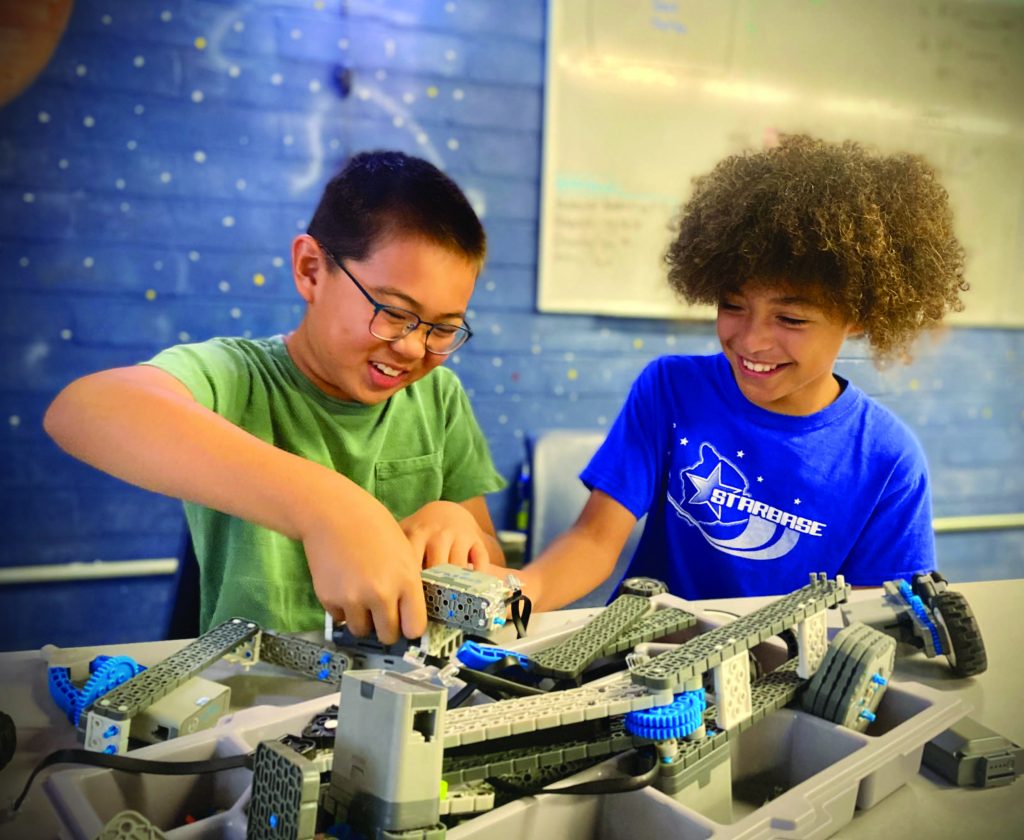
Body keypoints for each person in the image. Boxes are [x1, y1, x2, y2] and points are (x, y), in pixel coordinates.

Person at [44, 150, 507, 642]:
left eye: (443, 328)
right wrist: (330, 509)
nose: (413, 347)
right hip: (251, 699)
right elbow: (86, 409)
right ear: (310, 269)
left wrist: (458, 525)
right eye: (393, 312)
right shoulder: (239, 379)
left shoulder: (438, 397)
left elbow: (495, 564)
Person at [518, 134, 967, 610]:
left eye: (791, 319)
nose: (752, 341)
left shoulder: (887, 460)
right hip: (642, 661)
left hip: (784, 677)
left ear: (857, 316)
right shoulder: (670, 389)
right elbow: (592, 542)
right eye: (733, 305)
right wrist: (516, 594)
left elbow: (871, 623)